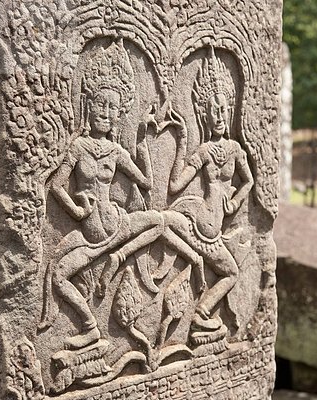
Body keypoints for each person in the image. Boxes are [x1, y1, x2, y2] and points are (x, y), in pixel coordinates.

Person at [39, 41, 201, 349]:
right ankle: (90, 327)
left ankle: (119, 257)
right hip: (88, 233)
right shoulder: (78, 148)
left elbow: (146, 183)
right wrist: (75, 209)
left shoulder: (115, 151)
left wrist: (141, 141)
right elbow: (58, 185)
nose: (106, 113)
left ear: (119, 115)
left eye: (113, 108)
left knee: (158, 221)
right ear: (89, 106)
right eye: (101, 104)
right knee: (58, 273)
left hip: (114, 227)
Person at [161, 47, 254, 333]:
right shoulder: (202, 152)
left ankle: (200, 311)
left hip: (217, 227)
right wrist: (183, 138)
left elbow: (248, 181)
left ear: (231, 109)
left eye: (224, 108)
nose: (219, 115)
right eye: (214, 110)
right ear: (204, 113)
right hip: (202, 227)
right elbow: (175, 186)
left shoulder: (236, 150)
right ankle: (200, 312)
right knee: (231, 272)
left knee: (232, 272)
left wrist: (236, 202)